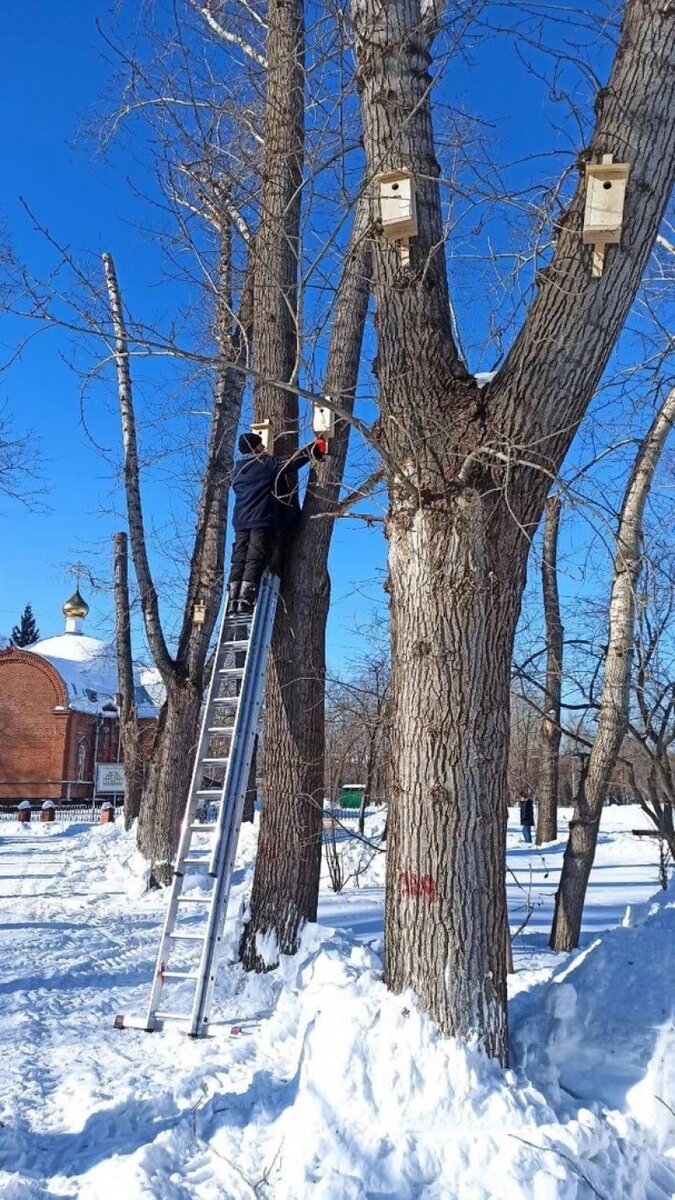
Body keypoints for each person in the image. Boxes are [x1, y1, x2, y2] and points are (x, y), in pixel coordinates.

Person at [226, 431, 326, 614]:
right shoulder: (265, 464)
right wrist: (315, 446)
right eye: (260, 445)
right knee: (255, 556)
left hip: (241, 521)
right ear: (254, 447)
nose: (264, 447)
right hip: (260, 519)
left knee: (239, 557)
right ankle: (246, 599)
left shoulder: (235, 471)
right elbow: (292, 461)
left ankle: (233, 597)